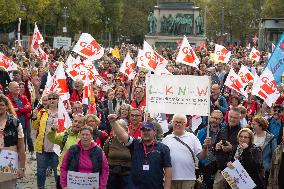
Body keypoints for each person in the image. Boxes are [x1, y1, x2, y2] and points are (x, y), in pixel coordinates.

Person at [108, 114, 172, 189]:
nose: (145, 132)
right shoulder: (134, 144)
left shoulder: (163, 148)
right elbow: (122, 135)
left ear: (155, 132)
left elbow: (168, 171)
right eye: (143, 130)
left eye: (148, 130)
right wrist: (113, 123)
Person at [163, 114, 211, 189]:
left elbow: (202, 157)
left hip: (188, 178)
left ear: (185, 124)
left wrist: (205, 148)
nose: (178, 124)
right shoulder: (166, 139)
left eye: (181, 122)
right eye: (176, 122)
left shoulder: (192, 137)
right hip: (170, 178)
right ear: (172, 123)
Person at [47, 114, 85, 189]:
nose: (77, 123)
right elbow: (52, 138)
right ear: (72, 122)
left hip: (80, 174)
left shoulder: (86, 136)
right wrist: (52, 130)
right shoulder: (65, 135)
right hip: (63, 173)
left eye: (80, 122)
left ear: (84, 125)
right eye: (75, 121)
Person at [32, 92, 60, 189]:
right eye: (50, 98)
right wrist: (34, 117)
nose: (52, 100)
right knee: (40, 171)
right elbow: (35, 127)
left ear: (58, 100)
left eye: (54, 98)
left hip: (57, 148)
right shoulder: (42, 112)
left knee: (58, 173)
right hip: (43, 146)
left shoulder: (62, 113)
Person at [0, 94, 26, 188]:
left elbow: (21, 147)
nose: (0, 107)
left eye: (2, 104)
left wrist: (22, 168)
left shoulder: (15, 122)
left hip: (8, 163)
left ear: (7, 106)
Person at [213, 107, 242, 189]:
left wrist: (232, 148)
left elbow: (246, 151)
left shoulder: (243, 132)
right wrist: (216, 146)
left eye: (235, 117)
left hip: (236, 170)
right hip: (222, 169)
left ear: (239, 118)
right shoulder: (222, 130)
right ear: (227, 116)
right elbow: (214, 149)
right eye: (231, 117)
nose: (232, 119)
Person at [7, 81, 34, 159]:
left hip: (24, 122)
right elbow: (10, 111)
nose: (18, 88)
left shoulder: (23, 97)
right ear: (10, 89)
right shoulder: (7, 99)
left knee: (24, 139)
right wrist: (22, 109)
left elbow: (28, 108)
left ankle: (23, 156)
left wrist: (17, 110)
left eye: (18, 87)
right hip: (12, 124)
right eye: (16, 87)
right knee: (14, 140)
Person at [103, 120, 134, 189]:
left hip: (127, 175)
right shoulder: (109, 141)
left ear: (125, 129)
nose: (117, 130)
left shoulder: (131, 142)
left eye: (119, 128)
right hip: (111, 175)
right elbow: (104, 157)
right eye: (115, 128)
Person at [197, 110, 224, 189]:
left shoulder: (224, 130)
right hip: (207, 166)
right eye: (213, 117)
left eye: (217, 118)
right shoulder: (202, 132)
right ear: (209, 118)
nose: (214, 120)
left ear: (221, 119)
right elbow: (198, 150)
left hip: (220, 166)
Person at [252, 115, 277, 187]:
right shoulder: (251, 135)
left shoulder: (271, 138)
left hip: (264, 170)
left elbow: (274, 155)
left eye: (254, 124)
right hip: (251, 168)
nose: (252, 125)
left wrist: (269, 167)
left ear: (260, 125)